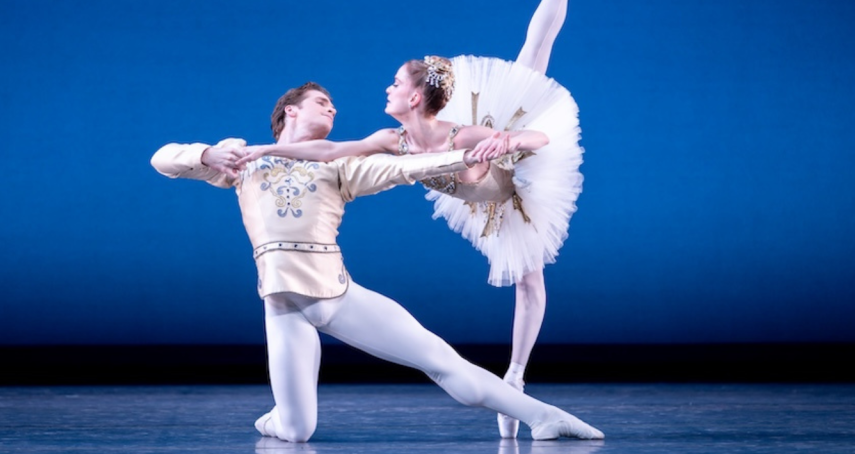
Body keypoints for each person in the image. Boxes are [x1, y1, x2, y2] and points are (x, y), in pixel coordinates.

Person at [234, 0, 592, 438]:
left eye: (396, 84)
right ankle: (516, 388)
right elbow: (332, 150)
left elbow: (541, 139)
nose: (386, 89)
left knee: (531, 61)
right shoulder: (390, 139)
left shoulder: (461, 133)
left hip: (510, 174)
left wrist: (508, 140)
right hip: (472, 191)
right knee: (521, 286)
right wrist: (260, 148)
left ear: (416, 97)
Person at [150, 82, 604, 443]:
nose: (332, 109)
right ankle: (275, 418)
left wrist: (463, 157)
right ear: (290, 111)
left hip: (338, 297)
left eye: (333, 106)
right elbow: (162, 158)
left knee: (443, 363)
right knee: (297, 431)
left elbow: (401, 168)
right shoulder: (243, 163)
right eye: (322, 102)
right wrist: (207, 154)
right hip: (283, 307)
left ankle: (545, 416)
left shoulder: (341, 166)